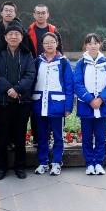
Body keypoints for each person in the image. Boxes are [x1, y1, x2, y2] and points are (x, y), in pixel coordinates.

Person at [0, 24, 36, 180]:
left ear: (22, 37)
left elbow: (30, 74)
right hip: (2, 102)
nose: (13, 37)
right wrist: (8, 89)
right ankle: (0, 168)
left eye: (17, 34)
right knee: (2, 136)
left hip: (22, 102)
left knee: (20, 136)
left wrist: (17, 89)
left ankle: (20, 167)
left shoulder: (27, 54)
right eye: (10, 34)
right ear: (5, 37)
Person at [73, 33, 106, 176]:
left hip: (102, 106)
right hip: (86, 106)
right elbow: (77, 84)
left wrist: (101, 99)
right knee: (86, 137)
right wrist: (90, 99)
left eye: (95, 43)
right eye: (89, 43)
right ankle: (89, 164)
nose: (93, 46)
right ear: (85, 46)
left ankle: (99, 163)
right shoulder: (80, 63)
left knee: (100, 137)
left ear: (100, 44)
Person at [31, 32, 74, 176]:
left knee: (58, 136)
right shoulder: (37, 62)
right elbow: (32, 82)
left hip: (57, 105)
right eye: (46, 43)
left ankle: (56, 162)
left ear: (57, 43)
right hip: (39, 105)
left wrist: (68, 106)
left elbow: (69, 86)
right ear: (42, 45)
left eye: (52, 42)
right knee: (42, 136)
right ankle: (43, 162)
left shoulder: (63, 62)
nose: (49, 45)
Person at [26, 4, 62, 143]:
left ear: (48, 14)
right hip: (34, 68)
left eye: (43, 13)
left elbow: (60, 50)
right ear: (34, 14)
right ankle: (37, 138)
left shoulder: (53, 31)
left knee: (52, 104)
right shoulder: (28, 31)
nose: (40, 15)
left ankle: (51, 136)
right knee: (36, 103)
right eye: (38, 13)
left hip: (52, 68)